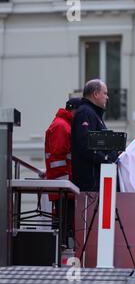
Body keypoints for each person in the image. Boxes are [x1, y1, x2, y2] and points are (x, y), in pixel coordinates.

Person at [44, 98, 82, 247]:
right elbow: (59, 153)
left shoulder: (63, 124)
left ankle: (62, 247)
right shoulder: (62, 126)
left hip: (62, 181)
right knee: (64, 222)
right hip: (63, 182)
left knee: (63, 221)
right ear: (75, 111)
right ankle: (61, 249)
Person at [71, 79, 118, 192]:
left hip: (96, 182)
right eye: (105, 93)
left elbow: (98, 144)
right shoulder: (85, 113)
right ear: (96, 94)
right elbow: (86, 144)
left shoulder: (93, 114)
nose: (107, 97)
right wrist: (107, 161)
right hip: (90, 185)